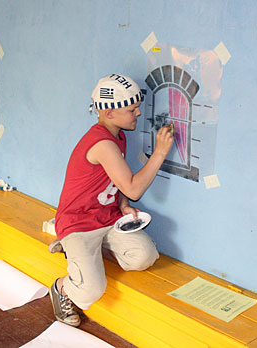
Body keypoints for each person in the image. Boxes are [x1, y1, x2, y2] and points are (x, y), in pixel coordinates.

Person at [49, 74, 174, 326]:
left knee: (144, 256)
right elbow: (134, 187)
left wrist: (122, 204)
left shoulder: (118, 135)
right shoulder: (102, 143)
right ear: (109, 113)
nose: (138, 113)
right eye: (132, 109)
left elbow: (116, 182)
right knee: (92, 290)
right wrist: (159, 152)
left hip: (106, 218)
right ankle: (61, 287)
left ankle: (85, 255)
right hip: (79, 223)